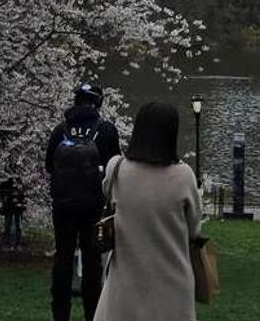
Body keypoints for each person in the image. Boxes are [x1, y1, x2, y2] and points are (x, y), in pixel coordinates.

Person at [95, 102, 204, 321]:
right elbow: (194, 229)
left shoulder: (117, 169)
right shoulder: (183, 177)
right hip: (172, 285)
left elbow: (107, 190)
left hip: (125, 283)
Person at [46, 83, 121, 321]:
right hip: (94, 206)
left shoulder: (60, 130)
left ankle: (60, 313)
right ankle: (93, 313)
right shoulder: (107, 130)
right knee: (92, 261)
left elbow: (49, 166)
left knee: (63, 258)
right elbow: (114, 169)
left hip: (63, 206)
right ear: (97, 103)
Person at [0, 176, 27, 251]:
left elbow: (23, 195)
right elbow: (0, 193)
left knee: (17, 226)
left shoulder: (19, 184)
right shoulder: (5, 184)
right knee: (8, 225)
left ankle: (17, 244)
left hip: (17, 208)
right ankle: (8, 244)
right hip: (9, 207)